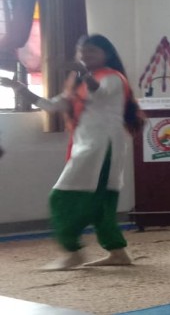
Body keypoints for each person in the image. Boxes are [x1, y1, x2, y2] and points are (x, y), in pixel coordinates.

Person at [0, 34, 143, 270]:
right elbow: (50, 105)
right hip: (89, 145)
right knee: (101, 203)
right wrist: (18, 87)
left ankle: (72, 252)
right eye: (82, 51)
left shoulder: (112, 78)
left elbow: (100, 93)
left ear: (107, 54)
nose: (85, 55)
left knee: (60, 198)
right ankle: (117, 253)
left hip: (102, 147)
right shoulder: (79, 85)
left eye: (92, 51)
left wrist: (83, 73)